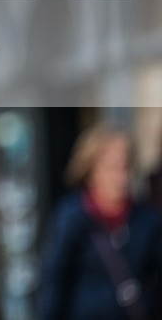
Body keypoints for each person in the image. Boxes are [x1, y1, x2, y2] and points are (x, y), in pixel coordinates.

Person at [38, 123, 162, 320]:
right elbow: (55, 284)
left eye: (125, 167)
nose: (120, 178)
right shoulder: (72, 218)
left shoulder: (147, 221)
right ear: (91, 171)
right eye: (112, 168)